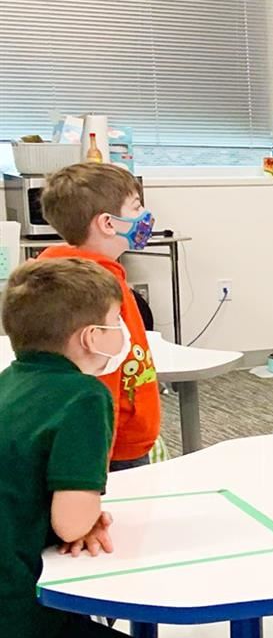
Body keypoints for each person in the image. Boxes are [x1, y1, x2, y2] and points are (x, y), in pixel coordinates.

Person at [0, 259, 214, 638]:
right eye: (117, 321)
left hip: (18, 612)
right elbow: (74, 524)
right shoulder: (82, 396)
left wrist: (74, 514)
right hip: (16, 637)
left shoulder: (11, 383)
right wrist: (84, 516)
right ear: (92, 336)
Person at [36, 162, 161, 470]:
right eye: (136, 207)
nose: (144, 215)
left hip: (122, 436)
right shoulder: (92, 291)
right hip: (112, 448)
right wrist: (93, 462)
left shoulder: (93, 275)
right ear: (108, 223)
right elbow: (97, 379)